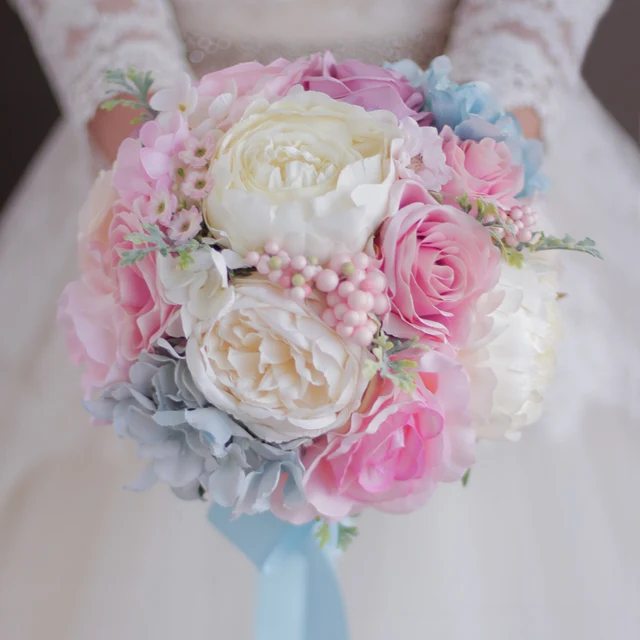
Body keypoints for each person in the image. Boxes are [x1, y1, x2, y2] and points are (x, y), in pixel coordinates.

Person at [1, 1, 638, 639]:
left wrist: (445, 202)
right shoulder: (171, 200)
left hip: (453, 169)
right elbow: (105, 32)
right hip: (170, 175)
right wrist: (180, 213)